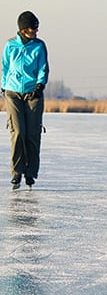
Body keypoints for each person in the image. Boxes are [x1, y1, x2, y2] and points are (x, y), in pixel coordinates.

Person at [1, 11, 49, 189]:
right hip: (13, 93)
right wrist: (4, 85)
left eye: (36, 28)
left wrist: (39, 86)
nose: (35, 31)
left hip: (33, 94)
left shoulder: (39, 46)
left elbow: (43, 68)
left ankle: (30, 173)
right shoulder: (10, 45)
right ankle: (16, 171)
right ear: (22, 29)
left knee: (32, 135)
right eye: (32, 28)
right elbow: (5, 66)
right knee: (18, 133)